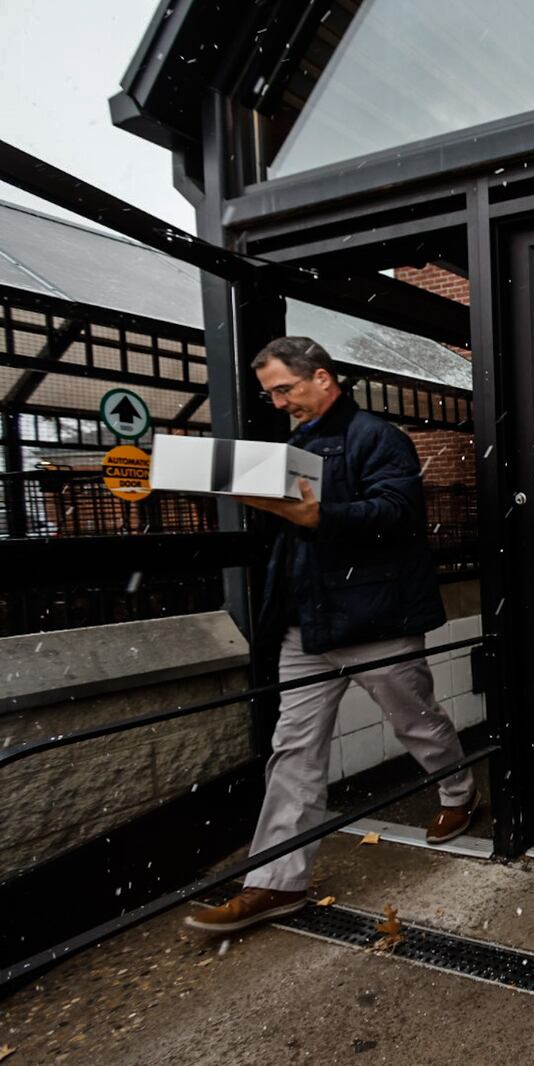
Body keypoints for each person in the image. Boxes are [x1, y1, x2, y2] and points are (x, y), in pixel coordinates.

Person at [186, 337, 478, 933]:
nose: (278, 403)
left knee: (415, 722)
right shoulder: (293, 445)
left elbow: (397, 514)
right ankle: (274, 883)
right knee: (293, 750)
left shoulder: (379, 437)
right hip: (308, 627)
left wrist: (322, 517)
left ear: (322, 378)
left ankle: (458, 791)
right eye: (271, 393)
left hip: (375, 620)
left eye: (284, 389)